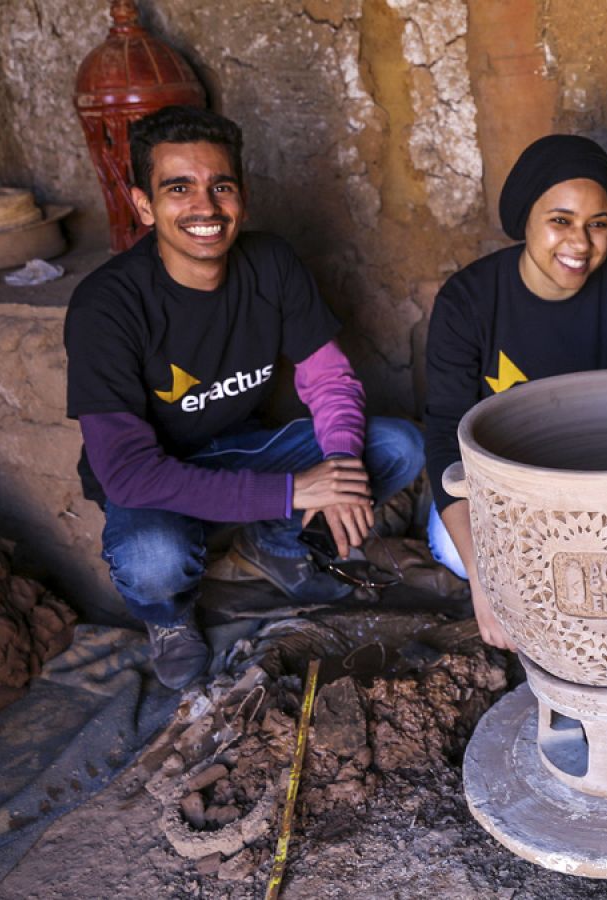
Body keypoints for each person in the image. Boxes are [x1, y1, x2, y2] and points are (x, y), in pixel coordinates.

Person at [64, 106, 423, 689]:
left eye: (220, 186)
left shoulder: (270, 263)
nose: (205, 207)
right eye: (178, 188)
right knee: (153, 560)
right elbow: (128, 474)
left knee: (395, 446)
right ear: (144, 206)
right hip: (156, 478)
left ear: (241, 197)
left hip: (243, 447)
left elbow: (329, 380)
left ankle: (277, 549)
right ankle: (171, 618)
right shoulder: (106, 306)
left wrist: (339, 465)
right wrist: (297, 489)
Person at [423, 134, 607, 649]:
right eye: (560, 220)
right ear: (524, 220)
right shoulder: (468, 301)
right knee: (454, 555)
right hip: (499, 488)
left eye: (597, 224)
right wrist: (485, 582)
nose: (579, 243)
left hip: (601, 483)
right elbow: (447, 434)